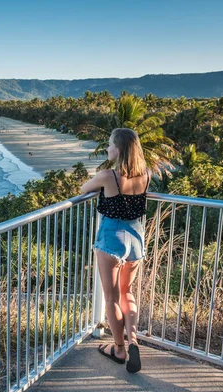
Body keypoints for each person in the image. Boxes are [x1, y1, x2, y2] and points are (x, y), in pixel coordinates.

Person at [79, 127, 150, 373]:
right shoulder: (145, 175)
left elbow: (83, 189)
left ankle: (119, 348)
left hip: (112, 239)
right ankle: (134, 341)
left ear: (118, 149)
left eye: (110, 145)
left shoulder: (108, 176)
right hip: (136, 238)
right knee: (127, 292)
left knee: (111, 298)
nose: (108, 149)